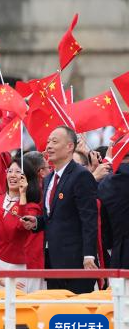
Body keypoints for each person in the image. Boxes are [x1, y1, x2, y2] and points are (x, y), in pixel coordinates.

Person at [23, 126, 99, 294]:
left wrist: (89, 255)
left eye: (55, 141)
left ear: (70, 146)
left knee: (77, 313)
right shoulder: (49, 178)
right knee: (56, 311)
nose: (49, 146)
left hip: (76, 261)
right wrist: (37, 222)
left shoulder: (81, 175)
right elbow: (53, 216)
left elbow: (89, 218)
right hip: (52, 259)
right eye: (48, 141)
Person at [0, 157, 43, 292]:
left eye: (18, 172)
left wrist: (22, 195)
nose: (12, 175)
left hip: (17, 267)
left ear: (27, 178)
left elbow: (21, 226)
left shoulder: (32, 207)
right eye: (10, 171)